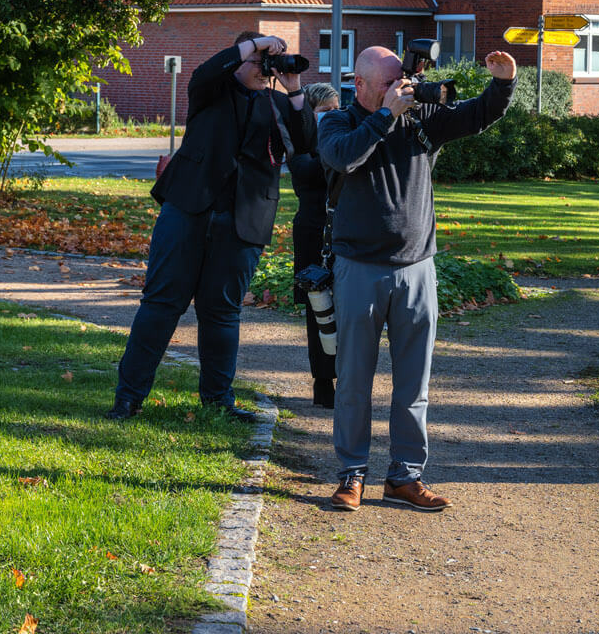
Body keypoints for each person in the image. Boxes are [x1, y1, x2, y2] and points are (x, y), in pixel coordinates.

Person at [320, 45, 516, 513]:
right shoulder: (337, 123)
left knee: (414, 383)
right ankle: (352, 474)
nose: (401, 90)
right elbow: (344, 158)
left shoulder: (421, 119)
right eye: (389, 84)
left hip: (416, 267)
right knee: (353, 382)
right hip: (358, 268)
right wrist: (385, 116)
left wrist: (503, 83)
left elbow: (477, 116)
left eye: (402, 81)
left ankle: (405, 477)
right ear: (359, 84)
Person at [106, 32, 315, 423]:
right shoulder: (211, 90)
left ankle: (218, 401)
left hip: (243, 221)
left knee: (222, 313)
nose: (264, 70)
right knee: (161, 305)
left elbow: (305, 143)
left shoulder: (277, 104)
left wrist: (295, 89)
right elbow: (206, 70)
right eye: (259, 62)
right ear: (241, 59)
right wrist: (255, 45)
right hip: (187, 210)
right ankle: (128, 399)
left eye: (268, 64)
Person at [288, 81, 342, 409]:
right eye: (325, 111)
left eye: (336, 109)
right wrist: (330, 145)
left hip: (343, 231)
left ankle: (345, 376)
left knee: (347, 307)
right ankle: (323, 381)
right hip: (312, 233)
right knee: (318, 307)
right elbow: (307, 173)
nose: (333, 115)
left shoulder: (342, 139)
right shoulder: (302, 145)